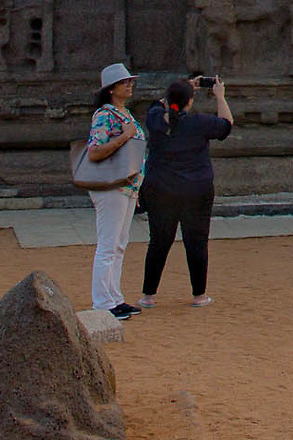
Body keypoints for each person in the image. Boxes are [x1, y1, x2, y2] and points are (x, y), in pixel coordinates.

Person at [138, 73, 234, 309]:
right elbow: (226, 125)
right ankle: (199, 295)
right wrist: (219, 97)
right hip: (196, 189)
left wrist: (181, 88)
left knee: (159, 241)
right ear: (190, 102)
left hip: (161, 189)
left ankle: (148, 295)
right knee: (197, 241)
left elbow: (159, 105)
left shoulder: (156, 121)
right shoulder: (199, 123)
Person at [84, 63, 145, 320]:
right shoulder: (105, 115)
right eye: (124, 82)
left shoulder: (124, 114)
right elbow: (94, 150)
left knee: (118, 245)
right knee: (109, 245)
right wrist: (123, 137)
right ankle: (103, 302)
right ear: (111, 89)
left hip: (126, 186)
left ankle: (114, 297)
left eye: (130, 81)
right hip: (112, 187)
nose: (129, 85)